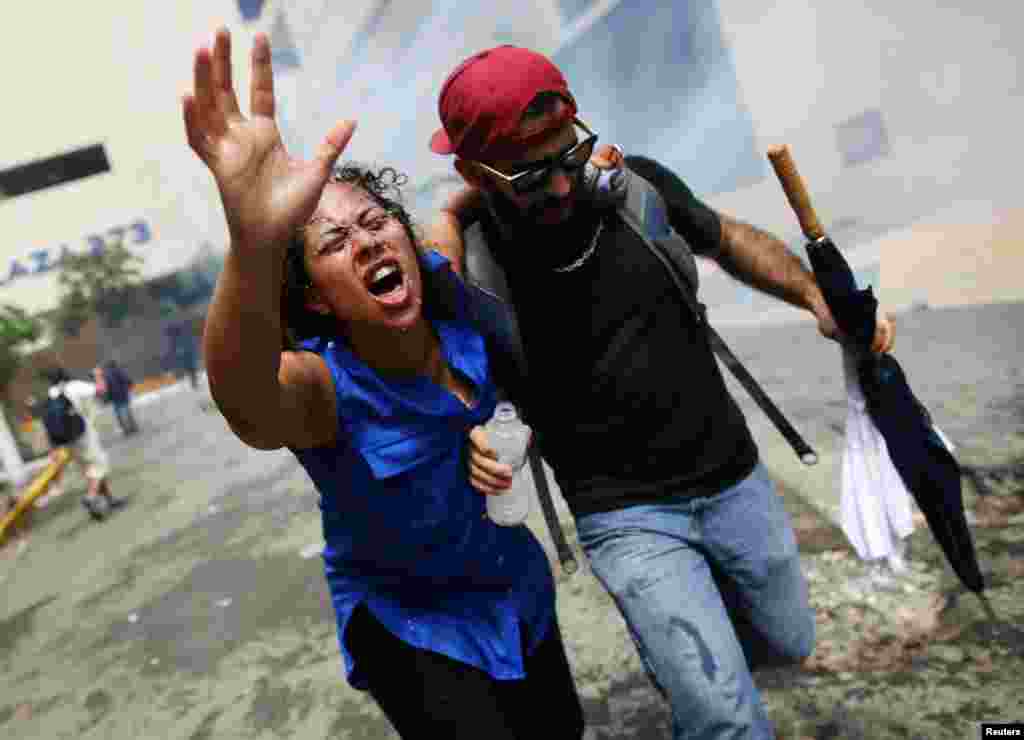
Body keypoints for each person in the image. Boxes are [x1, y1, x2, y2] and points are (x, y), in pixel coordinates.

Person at [430, 46, 897, 739]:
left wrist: (812, 295)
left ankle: (693, 659)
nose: (560, 189)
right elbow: (430, 364)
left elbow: (729, 238)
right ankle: (697, 678)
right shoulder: (470, 262)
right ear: (474, 173)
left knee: (789, 641)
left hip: (734, 476)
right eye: (529, 178)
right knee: (722, 717)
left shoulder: (638, 189)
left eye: (567, 158)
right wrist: (468, 434)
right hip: (624, 516)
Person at [184, 29, 583, 739]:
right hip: (412, 624)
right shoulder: (323, 392)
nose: (366, 241)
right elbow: (243, 398)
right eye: (334, 244)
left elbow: (451, 219)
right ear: (313, 299)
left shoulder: (451, 297)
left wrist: (505, 435)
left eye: (374, 222)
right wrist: (255, 241)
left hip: (514, 588)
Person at [41, 368, 124, 521]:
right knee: (99, 466)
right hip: (83, 434)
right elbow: (101, 390)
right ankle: (91, 497)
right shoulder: (74, 386)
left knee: (90, 470)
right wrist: (99, 375)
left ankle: (108, 500)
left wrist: (53, 448)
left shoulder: (51, 393)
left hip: (67, 441)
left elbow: (49, 423)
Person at [100, 360, 139, 435]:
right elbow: (127, 379)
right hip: (123, 394)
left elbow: (107, 387)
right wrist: (130, 386)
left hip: (115, 396)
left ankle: (125, 429)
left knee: (119, 413)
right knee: (127, 410)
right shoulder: (120, 370)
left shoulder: (106, 375)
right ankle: (133, 427)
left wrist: (107, 398)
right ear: (115, 365)